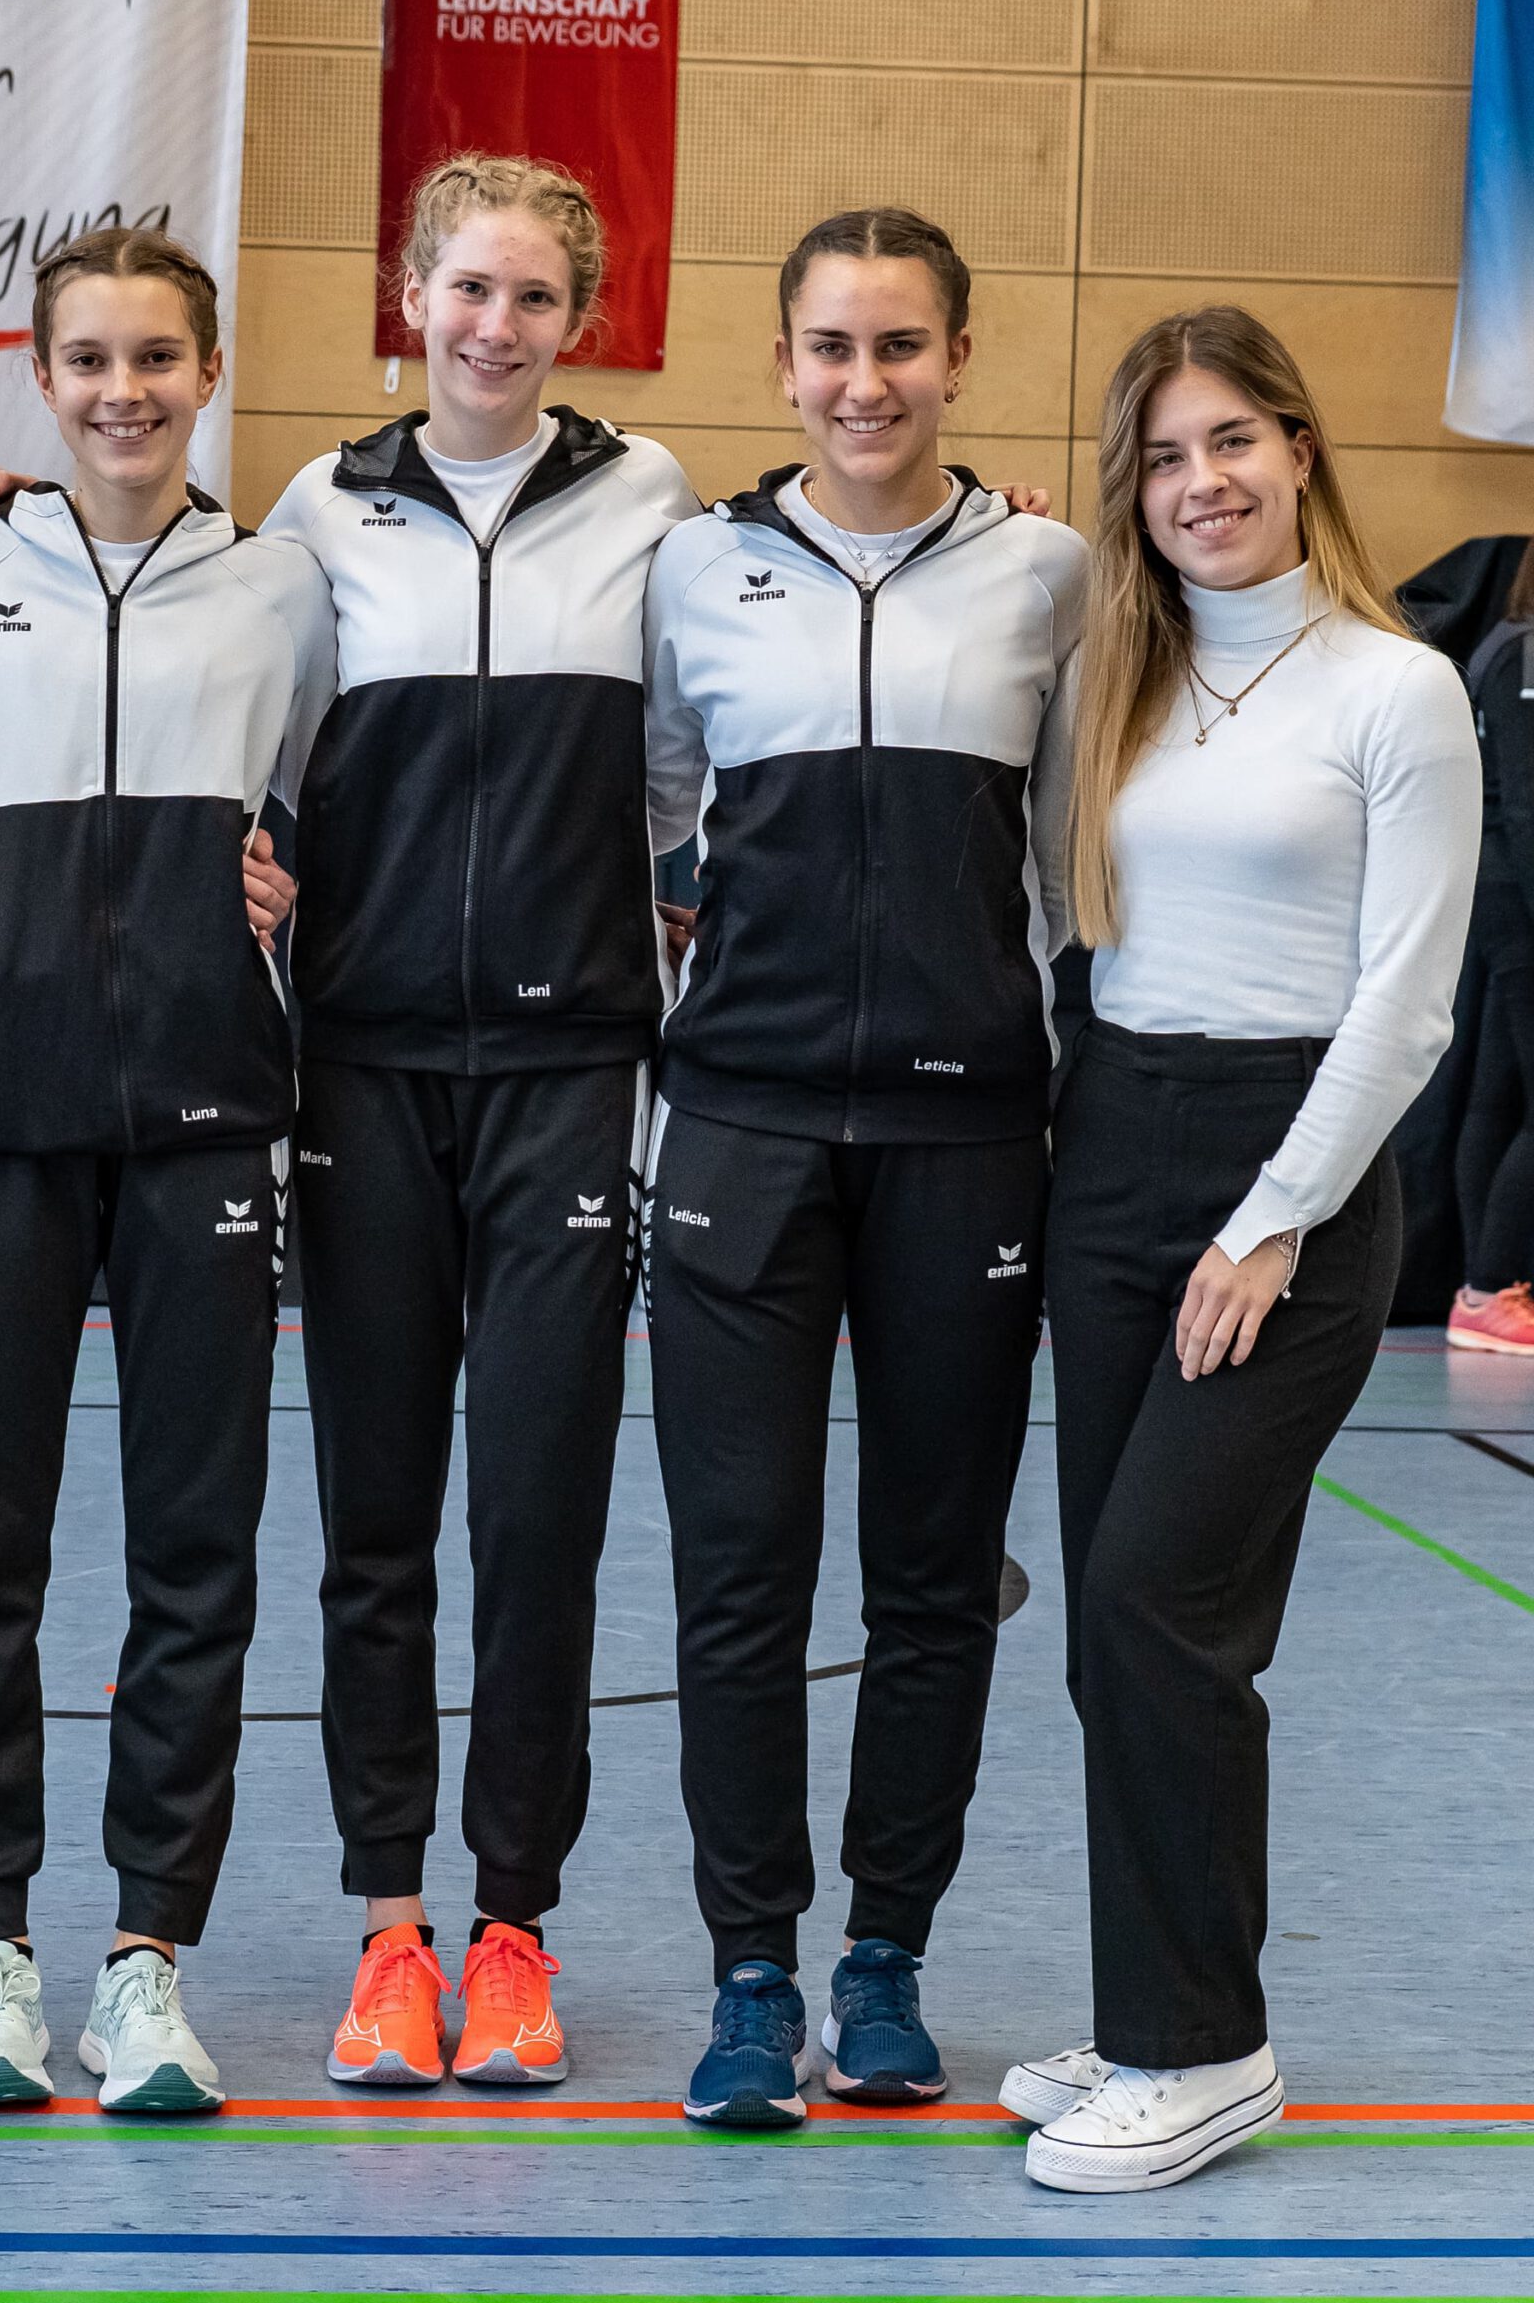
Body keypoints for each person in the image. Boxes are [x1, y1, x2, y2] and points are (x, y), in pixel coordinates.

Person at [1006, 307, 1475, 2193]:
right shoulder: (1111, 674)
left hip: (1294, 1179)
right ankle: (1152, 2009)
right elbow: (1072, 925)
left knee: (1152, 1603)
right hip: (1111, 1144)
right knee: (1128, 1641)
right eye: (1165, 455)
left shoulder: (1393, 687)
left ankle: (1204, 2047)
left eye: (1233, 443)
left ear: (1300, 451)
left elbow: (1411, 999)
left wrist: (1275, 1217)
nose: (1202, 484)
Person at [641, 207, 1087, 2126]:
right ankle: (751, 1971)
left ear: (960, 361)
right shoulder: (692, 568)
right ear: (783, 365)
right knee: (737, 1581)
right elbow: (660, 799)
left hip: (966, 1137)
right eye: (832, 347)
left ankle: (884, 1954)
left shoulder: (1050, 572)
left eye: (902, 346)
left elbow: (1074, 859)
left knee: (926, 1584)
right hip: (735, 1130)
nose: (866, 383)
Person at [260, 154, 701, 2087]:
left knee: (537, 1515)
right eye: (465, 290)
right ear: (407, 294)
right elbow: (253, 756)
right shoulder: (318, 511)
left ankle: (513, 1922)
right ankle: (387, 1924)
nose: (494, 327)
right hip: (359, 1072)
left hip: (567, 1075)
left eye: (533, 298)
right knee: (377, 1527)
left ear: (575, 321)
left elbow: (688, 762)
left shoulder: (652, 502)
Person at [0, 225, 335, 2115]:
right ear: (41, 375)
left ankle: (148, 1954)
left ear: (206, 370)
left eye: (157, 357)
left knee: (194, 1555)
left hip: (208, 1124)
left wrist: (274, 885)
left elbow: (307, 804)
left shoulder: (285, 588)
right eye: (87, 360)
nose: (124, 392)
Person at [1446, 549, 1534, 1354]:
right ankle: (1486, 1288)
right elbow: (1526, 800)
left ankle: (1488, 1285)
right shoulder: (1522, 651)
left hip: (1503, 898)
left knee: (1500, 1091)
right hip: (1515, 900)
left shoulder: (1507, 644)